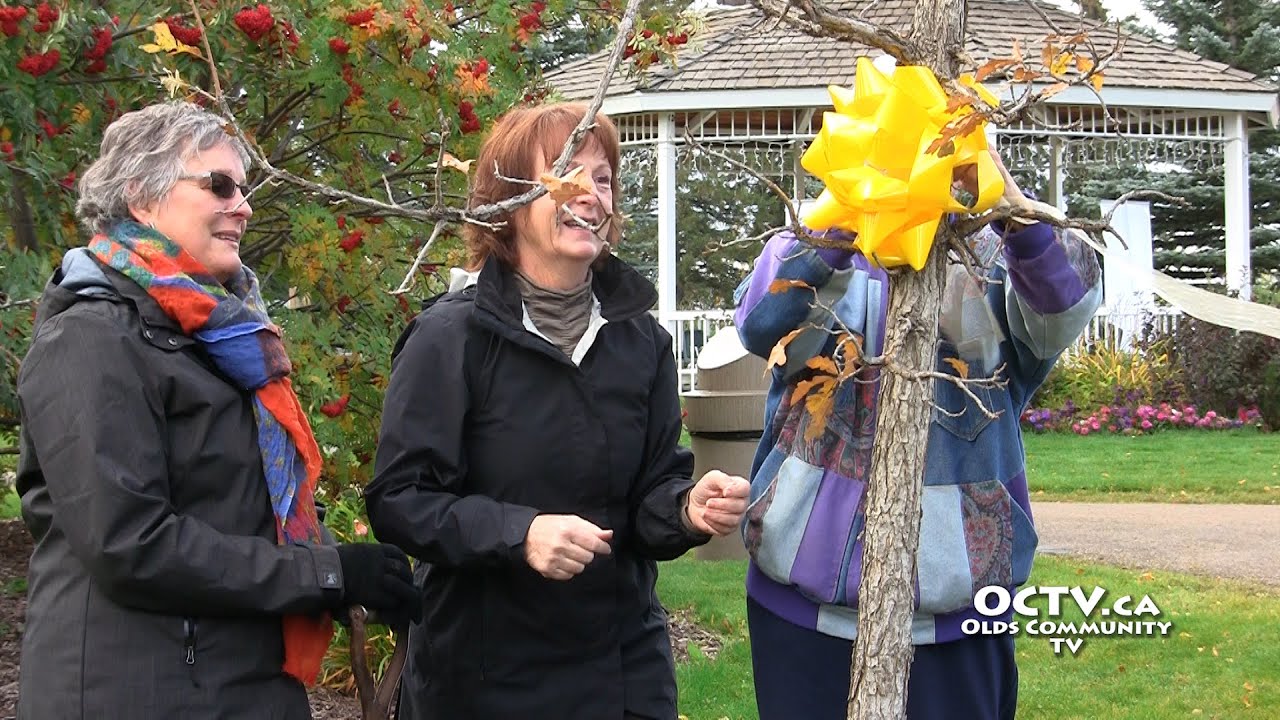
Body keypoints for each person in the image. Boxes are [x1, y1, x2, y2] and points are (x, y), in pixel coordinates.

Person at [14, 101, 421, 720]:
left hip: (239, 684)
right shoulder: (91, 338)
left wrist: (353, 577)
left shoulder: (221, 339)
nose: (244, 206)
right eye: (220, 185)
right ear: (141, 196)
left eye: (245, 188)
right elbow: (131, 544)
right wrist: (327, 573)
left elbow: (241, 511)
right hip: (136, 697)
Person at [365, 102, 751, 719]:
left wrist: (686, 508)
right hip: (484, 683)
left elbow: (649, 499)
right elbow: (399, 501)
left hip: (623, 677)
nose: (591, 195)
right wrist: (520, 533)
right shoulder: (450, 339)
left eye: (603, 179)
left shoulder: (642, 343)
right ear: (510, 201)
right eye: (567, 175)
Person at [734, 151, 1102, 719]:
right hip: (800, 619)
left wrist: (1010, 208)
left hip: (959, 625)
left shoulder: (999, 253)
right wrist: (847, 212)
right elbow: (761, 324)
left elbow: (1064, 307)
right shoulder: (821, 235)